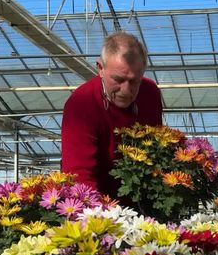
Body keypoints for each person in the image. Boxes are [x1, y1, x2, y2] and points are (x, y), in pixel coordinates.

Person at [61, 31, 163, 199]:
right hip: (98, 202)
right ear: (100, 69)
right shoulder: (80, 104)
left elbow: (156, 150)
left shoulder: (150, 93)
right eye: (118, 79)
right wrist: (102, 217)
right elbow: (79, 176)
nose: (126, 90)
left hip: (141, 197)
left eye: (134, 81)